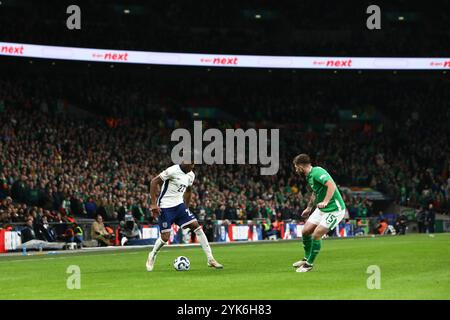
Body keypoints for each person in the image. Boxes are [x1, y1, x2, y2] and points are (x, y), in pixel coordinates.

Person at [146, 161, 223, 271]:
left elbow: (188, 190)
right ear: (184, 162)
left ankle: (210, 259)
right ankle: (152, 255)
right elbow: (154, 182)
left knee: (197, 227)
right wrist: (153, 204)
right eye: (191, 164)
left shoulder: (191, 175)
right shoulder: (172, 170)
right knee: (165, 237)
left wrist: (186, 208)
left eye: (194, 165)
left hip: (179, 207)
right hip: (165, 207)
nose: (192, 167)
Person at [291, 154, 346, 273]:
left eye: (296, 167)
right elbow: (315, 192)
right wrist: (309, 208)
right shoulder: (309, 176)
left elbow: (331, 185)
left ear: (301, 166)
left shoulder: (317, 172)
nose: (296, 170)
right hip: (321, 208)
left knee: (316, 234)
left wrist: (326, 201)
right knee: (305, 231)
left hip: (335, 209)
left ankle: (309, 264)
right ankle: (306, 258)